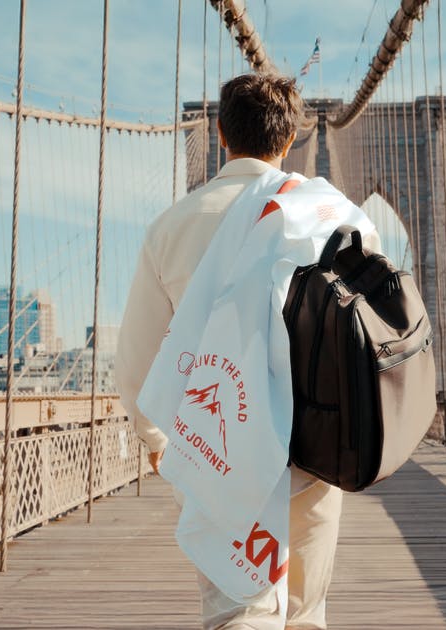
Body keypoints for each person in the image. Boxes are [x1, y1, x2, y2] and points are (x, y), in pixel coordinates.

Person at [115, 73, 355, 630]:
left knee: (238, 612)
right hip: (315, 450)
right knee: (303, 614)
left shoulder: (171, 227)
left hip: (216, 449)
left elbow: (135, 361)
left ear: (221, 134)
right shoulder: (328, 217)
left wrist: (157, 441)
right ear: (292, 135)